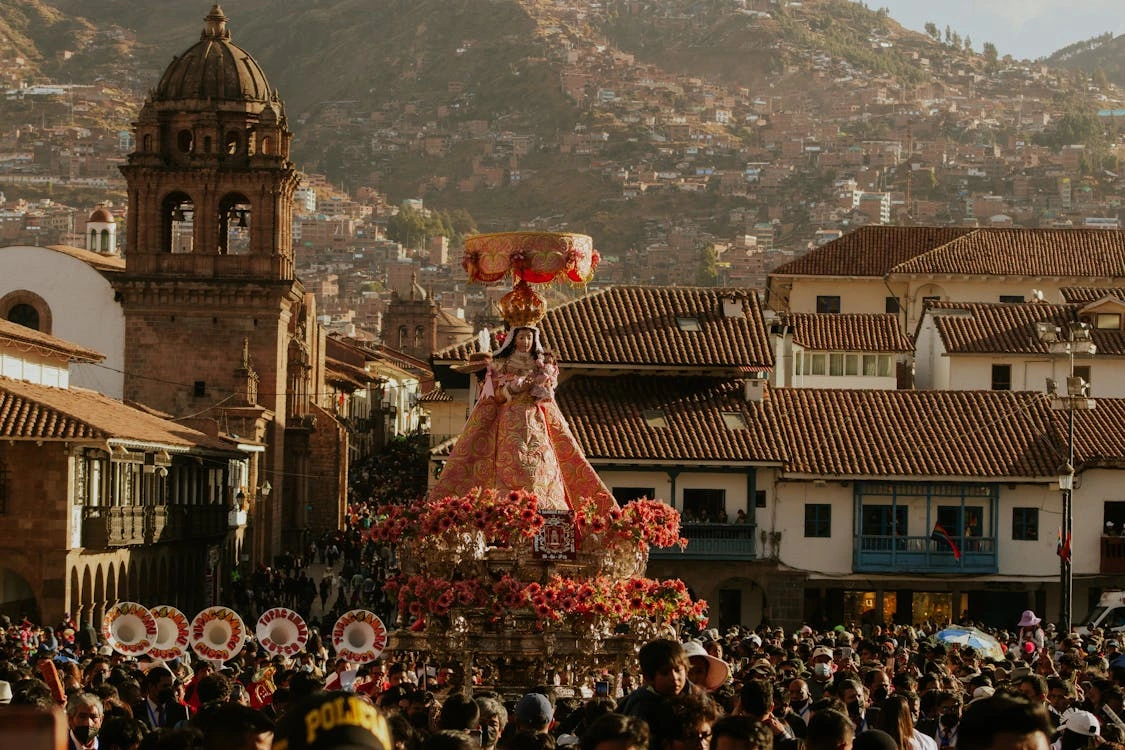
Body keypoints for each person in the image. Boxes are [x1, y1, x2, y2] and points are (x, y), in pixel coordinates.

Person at [425, 325, 615, 512]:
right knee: (511, 460)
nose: (525, 341)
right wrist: (512, 388)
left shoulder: (541, 365)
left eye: (529, 337)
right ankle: (507, 503)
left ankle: (544, 503)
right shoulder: (502, 364)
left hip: (536, 420)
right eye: (522, 337)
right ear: (513, 339)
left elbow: (547, 397)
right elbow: (495, 396)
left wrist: (540, 386)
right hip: (509, 419)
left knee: (542, 460)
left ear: (534, 340)